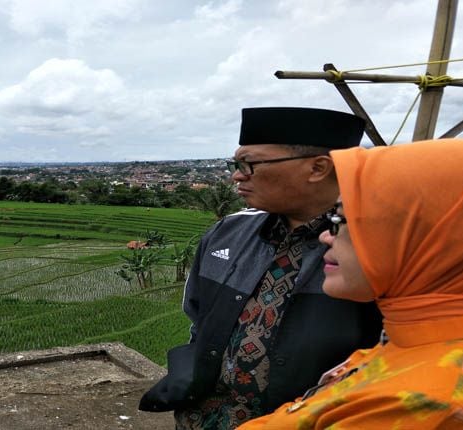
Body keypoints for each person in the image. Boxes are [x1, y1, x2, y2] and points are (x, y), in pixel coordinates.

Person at [138, 107, 383, 428]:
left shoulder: (376, 245)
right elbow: (198, 318)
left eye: (250, 164)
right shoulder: (227, 232)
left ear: (318, 168)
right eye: (236, 165)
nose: (237, 175)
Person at [238, 138, 463, 429]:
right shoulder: (419, 338)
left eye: (341, 218)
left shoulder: (417, 405)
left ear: (429, 234)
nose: (327, 236)